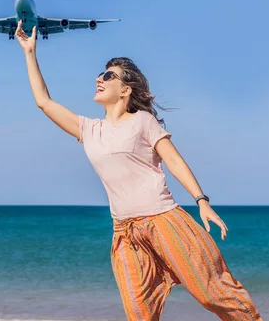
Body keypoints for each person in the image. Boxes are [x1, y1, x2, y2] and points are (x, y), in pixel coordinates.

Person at [15, 20, 263, 321]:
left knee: (212, 292)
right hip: (125, 233)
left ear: (125, 89)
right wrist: (30, 53)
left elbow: (174, 161)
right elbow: (43, 101)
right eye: (100, 74)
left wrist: (202, 201)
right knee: (138, 313)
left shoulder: (142, 121)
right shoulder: (89, 129)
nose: (99, 78)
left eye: (109, 75)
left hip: (164, 221)